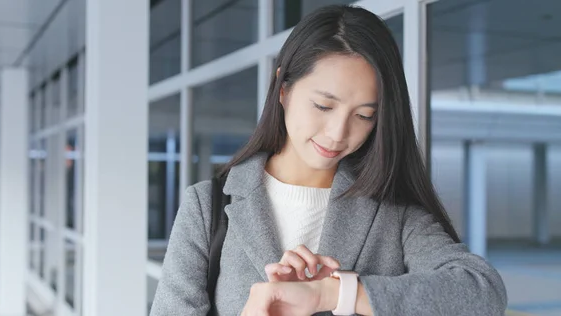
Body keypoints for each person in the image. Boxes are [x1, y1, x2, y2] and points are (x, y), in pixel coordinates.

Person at [150, 4, 507, 316]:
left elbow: (482, 293)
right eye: (323, 106)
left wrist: (336, 293)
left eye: (365, 115)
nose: (338, 133)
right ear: (284, 89)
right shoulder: (207, 207)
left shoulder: (393, 213)